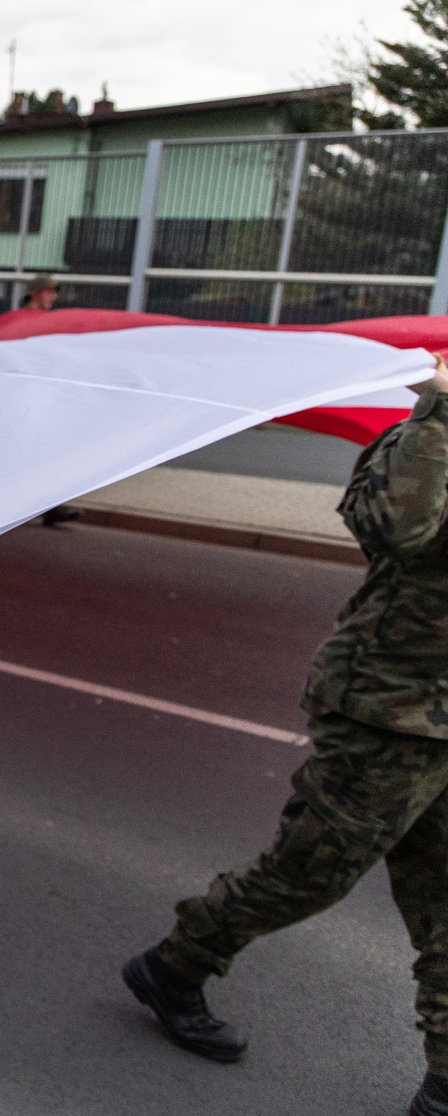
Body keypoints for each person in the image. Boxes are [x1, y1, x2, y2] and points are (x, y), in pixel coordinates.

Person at [123, 351, 448, 1115]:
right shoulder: (418, 441)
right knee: (309, 873)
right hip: (385, 711)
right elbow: (396, 527)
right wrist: (440, 410)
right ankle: (176, 965)